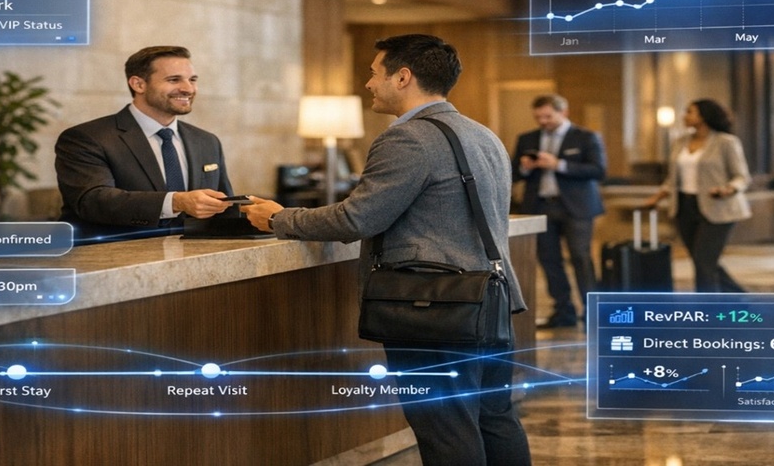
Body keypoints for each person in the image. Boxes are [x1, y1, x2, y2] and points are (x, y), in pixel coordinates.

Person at [240, 34, 531, 466]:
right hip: (490, 300)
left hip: (434, 307)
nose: (369, 83)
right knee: (495, 418)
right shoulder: (481, 133)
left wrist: (279, 218)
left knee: (446, 427)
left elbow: (356, 219)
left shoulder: (408, 138)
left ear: (403, 76)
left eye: (375, 73)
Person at [54, 46, 233, 241]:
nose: (188, 89)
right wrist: (176, 202)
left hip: (197, 256)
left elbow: (224, 210)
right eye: (174, 80)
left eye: (192, 80)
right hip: (116, 255)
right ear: (138, 84)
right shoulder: (86, 138)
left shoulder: (207, 141)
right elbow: (93, 201)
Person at [512, 94, 605, 329]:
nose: (543, 121)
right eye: (538, 117)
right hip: (541, 206)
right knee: (549, 261)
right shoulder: (527, 138)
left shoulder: (586, 137)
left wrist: (558, 165)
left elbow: (598, 170)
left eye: (548, 116)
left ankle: (593, 311)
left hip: (576, 207)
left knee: (581, 258)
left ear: (563, 112)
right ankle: (563, 312)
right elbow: (513, 173)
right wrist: (524, 168)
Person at [643, 99, 751, 292]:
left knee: (704, 261)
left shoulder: (726, 142)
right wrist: (657, 198)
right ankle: (739, 296)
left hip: (718, 207)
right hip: (685, 207)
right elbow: (672, 179)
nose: (684, 116)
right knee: (703, 261)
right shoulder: (680, 142)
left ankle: (706, 308)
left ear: (704, 116)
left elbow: (742, 176)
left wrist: (728, 189)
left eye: (690, 112)